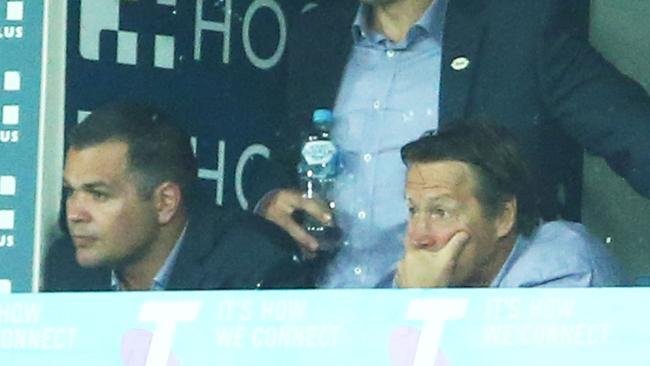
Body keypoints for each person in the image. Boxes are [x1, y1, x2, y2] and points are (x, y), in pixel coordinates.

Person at [256, 0, 650, 288]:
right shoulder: (317, 35)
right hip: (324, 319)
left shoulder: (517, 31)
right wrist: (271, 202)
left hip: (476, 325)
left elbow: (636, 135)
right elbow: (286, 162)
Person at [42, 102, 309, 291]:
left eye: (98, 195)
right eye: (70, 192)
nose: (75, 214)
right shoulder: (67, 267)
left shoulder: (252, 263)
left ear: (165, 202)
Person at [395, 120, 624, 287]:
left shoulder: (560, 268)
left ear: (503, 217)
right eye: (413, 210)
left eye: (440, 212)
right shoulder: (429, 277)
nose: (418, 237)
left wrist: (421, 303)